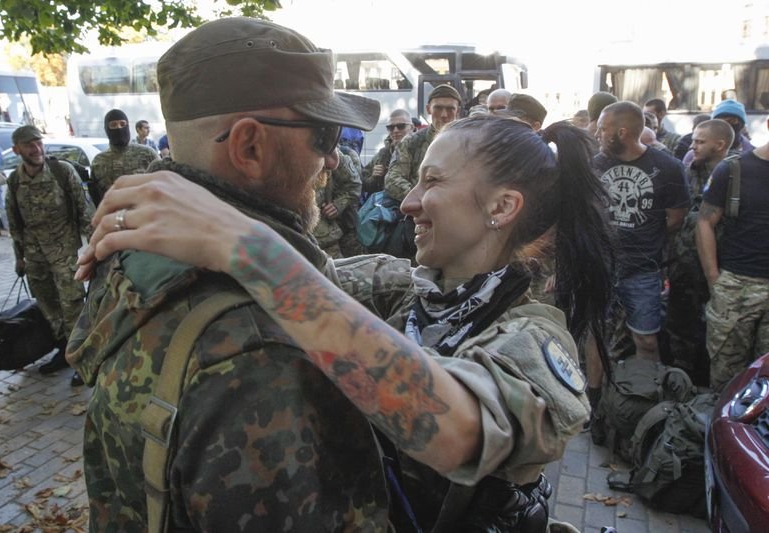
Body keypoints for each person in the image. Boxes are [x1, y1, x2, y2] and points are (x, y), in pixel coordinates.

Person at [79, 108, 616, 532]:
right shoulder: (403, 288)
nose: (408, 202)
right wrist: (157, 222)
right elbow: (307, 279)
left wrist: (245, 246)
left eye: (432, 182)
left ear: (501, 207)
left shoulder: (536, 339)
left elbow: (457, 432)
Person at [67, 17, 386, 532]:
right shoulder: (267, 350)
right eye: (323, 135)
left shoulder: (131, 242)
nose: (332, 159)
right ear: (249, 148)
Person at [594, 101, 690, 363]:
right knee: (595, 336)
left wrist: (641, 234)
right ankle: (597, 386)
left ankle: (648, 386)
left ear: (622, 132)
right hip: (601, 266)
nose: (597, 134)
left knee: (646, 340)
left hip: (642, 269)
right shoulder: (595, 164)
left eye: (603, 128)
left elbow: (676, 218)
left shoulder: (669, 167)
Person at [5, 125, 92, 387]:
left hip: (64, 254)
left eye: (38, 142)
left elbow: (84, 211)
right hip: (35, 258)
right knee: (49, 308)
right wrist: (19, 258)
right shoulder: (15, 180)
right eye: (29, 145)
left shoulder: (61, 172)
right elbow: (14, 223)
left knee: (73, 307)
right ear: (17, 149)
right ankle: (64, 352)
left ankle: (83, 360)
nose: (36, 149)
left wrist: (97, 248)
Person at [696, 117, 769, 390]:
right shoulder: (734, 169)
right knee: (726, 378)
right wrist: (714, 278)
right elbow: (705, 222)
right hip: (736, 286)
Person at [664, 119, 735, 382]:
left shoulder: (735, 175)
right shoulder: (688, 171)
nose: (693, 146)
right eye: (693, 140)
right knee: (680, 322)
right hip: (684, 263)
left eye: (700, 142)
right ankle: (683, 377)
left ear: (720, 145)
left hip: (721, 263)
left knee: (720, 327)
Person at [385, 84, 461, 260]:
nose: (444, 114)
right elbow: (392, 179)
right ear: (428, 109)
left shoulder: (468, 143)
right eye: (438, 108)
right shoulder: (412, 142)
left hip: (457, 222)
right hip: (420, 224)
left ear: (458, 111)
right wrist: (423, 200)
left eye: (450, 109)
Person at [88, 109, 160, 205]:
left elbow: (163, 186)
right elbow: (96, 196)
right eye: (113, 125)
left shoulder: (148, 154)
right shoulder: (98, 162)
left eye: (122, 124)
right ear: (107, 129)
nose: (119, 128)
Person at [362, 108, 414, 194]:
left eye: (401, 126)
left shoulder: (421, 149)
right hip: (385, 200)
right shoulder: (383, 153)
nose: (395, 130)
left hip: (413, 199)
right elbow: (363, 184)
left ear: (411, 127)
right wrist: (374, 177)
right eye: (391, 127)